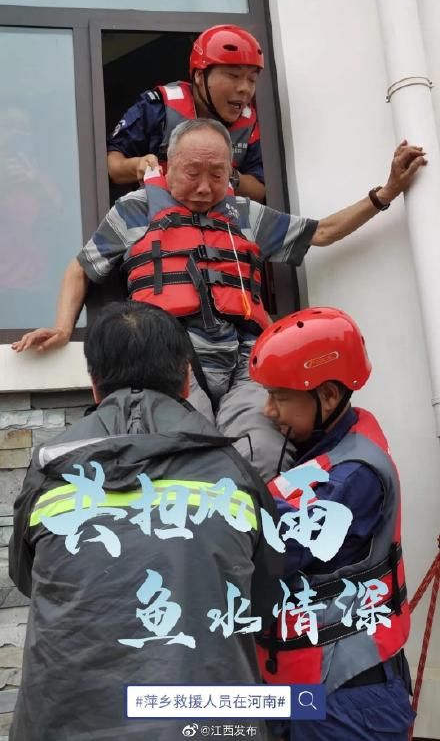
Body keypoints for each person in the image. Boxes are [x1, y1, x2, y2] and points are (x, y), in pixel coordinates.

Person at [12, 119, 426, 480]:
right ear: (169, 166)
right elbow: (81, 267)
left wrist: (386, 192)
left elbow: (323, 232)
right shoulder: (135, 211)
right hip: (166, 359)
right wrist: (65, 328)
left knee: (262, 455)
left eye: (218, 174)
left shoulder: (244, 214)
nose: (206, 187)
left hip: (247, 361)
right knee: (184, 456)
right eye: (192, 173)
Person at [9, 300, 283, 741]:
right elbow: (264, 599)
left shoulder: (49, 471)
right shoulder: (232, 471)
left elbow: (29, 579)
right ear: (186, 377)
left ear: (94, 383)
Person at [249, 307, 415, 741]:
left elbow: (279, 553)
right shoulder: (326, 446)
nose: (268, 411)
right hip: (304, 684)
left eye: (280, 397)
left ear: (326, 396)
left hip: (346, 696)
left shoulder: (355, 475)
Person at [107, 24, 266, 201]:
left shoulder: (249, 124)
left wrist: (228, 174)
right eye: (233, 76)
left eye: (252, 79)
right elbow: (112, 165)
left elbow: (261, 189)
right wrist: (138, 165)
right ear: (199, 76)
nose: (245, 89)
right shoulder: (158, 109)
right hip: (157, 221)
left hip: (220, 225)